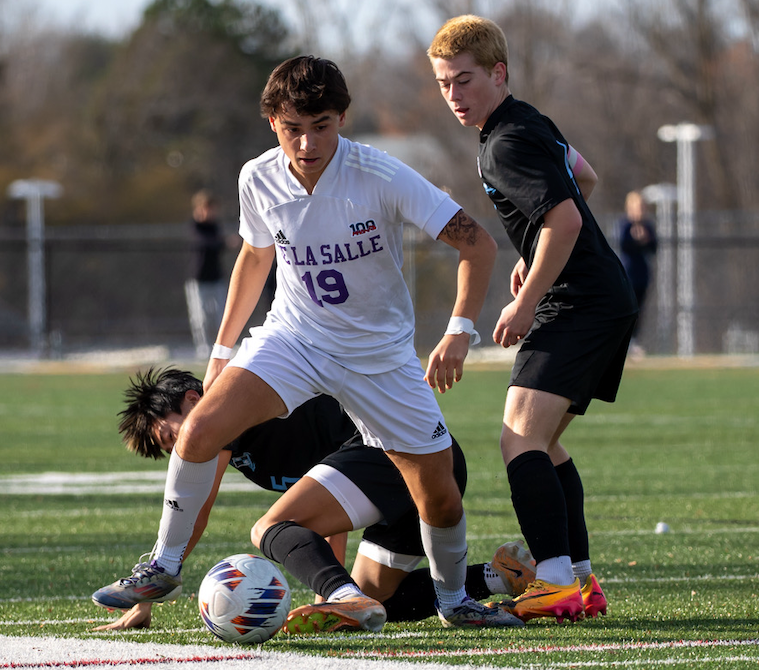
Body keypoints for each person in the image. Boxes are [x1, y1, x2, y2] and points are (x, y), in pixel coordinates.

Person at [94, 56, 519, 629]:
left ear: (342, 118)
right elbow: (254, 254)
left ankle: (455, 602)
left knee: (439, 494)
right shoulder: (257, 177)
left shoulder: (382, 175)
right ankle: (162, 566)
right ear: (273, 122)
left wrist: (458, 332)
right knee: (197, 430)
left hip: (379, 360)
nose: (308, 141)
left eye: (321, 125)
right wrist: (223, 351)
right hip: (295, 338)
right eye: (294, 127)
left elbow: (479, 246)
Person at [428, 15, 638, 623]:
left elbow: (566, 220)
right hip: (600, 294)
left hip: (579, 301)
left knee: (518, 436)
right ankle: (579, 580)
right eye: (444, 84)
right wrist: (535, 254)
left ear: (498, 73)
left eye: (465, 81)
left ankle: (552, 580)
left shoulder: (505, 142)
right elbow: (586, 180)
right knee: (543, 443)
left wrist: (526, 297)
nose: (454, 96)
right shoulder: (530, 121)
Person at [91, 368, 534, 632]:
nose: (183, 452)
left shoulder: (224, 416)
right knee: (378, 603)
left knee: (269, 530)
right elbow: (329, 512)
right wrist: (338, 595)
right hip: (423, 465)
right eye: (172, 451)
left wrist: (146, 593)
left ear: (194, 401)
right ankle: (501, 576)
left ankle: (346, 596)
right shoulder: (237, 436)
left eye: (174, 435)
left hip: (397, 453)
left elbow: (196, 510)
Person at [184, 190, 230, 359]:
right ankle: (203, 350)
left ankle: (220, 350)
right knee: (200, 318)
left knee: (220, 316)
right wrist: (224, 241)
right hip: (198, 279)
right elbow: (205, 242)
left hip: (216, 278)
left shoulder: (215, 226)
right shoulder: (194, 226)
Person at [616, 191, 658, 358]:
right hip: (627, 274)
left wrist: (645, 240)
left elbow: (654, 248)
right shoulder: (624, 225)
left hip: (643, 275)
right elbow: (623, 245)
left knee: (640, 310)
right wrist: (636, 240)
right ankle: (623, 342)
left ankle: (634, 342)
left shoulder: (648, 226)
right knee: (627, 309)